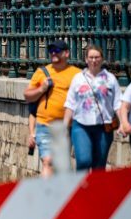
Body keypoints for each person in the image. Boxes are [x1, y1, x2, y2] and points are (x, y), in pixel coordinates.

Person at [23, 40, 81, 176]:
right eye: (51, 51)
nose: (53, 53)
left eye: (57, 51)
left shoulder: (77, 74)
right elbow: (27, 96)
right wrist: (41, 89)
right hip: (45, 125)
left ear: (66, 53)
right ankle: (47, 195)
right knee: (47, 161)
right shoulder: (42, 72)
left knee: (62, 165)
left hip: (69, 127)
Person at [63, 44, 122, 171]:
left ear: (102, 59)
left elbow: (117, 103)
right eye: (91, 57)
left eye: (97, 57)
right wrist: (64, 126)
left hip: (103, 126)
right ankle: (81, 189)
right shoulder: (78, 79)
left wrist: (123, 122)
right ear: (86, 59)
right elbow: (70, 104)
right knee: (84, 161)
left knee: (99, 166)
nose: (94, 60)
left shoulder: (110, 79)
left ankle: (95, 190)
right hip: (81, 125)